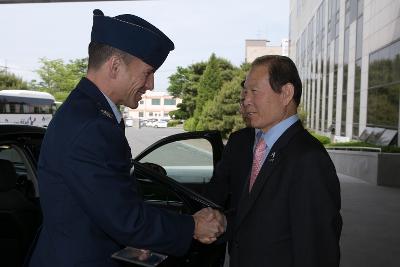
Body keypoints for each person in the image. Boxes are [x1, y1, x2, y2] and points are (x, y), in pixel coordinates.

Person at [28, 9, 225, 267]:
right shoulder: (91, 125)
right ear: (115, 66)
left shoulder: (88, 112)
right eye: (147, 72)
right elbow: (125, 218)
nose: (151, 84)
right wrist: (191, 226)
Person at [206, 55, 342, 267]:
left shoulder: (309, 159)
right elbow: (251, 216)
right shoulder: (246, 143)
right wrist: (224, 222)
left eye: (254, 92)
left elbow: (317, 250)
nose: (246, 100)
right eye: (245, 92)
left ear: (286, 93)